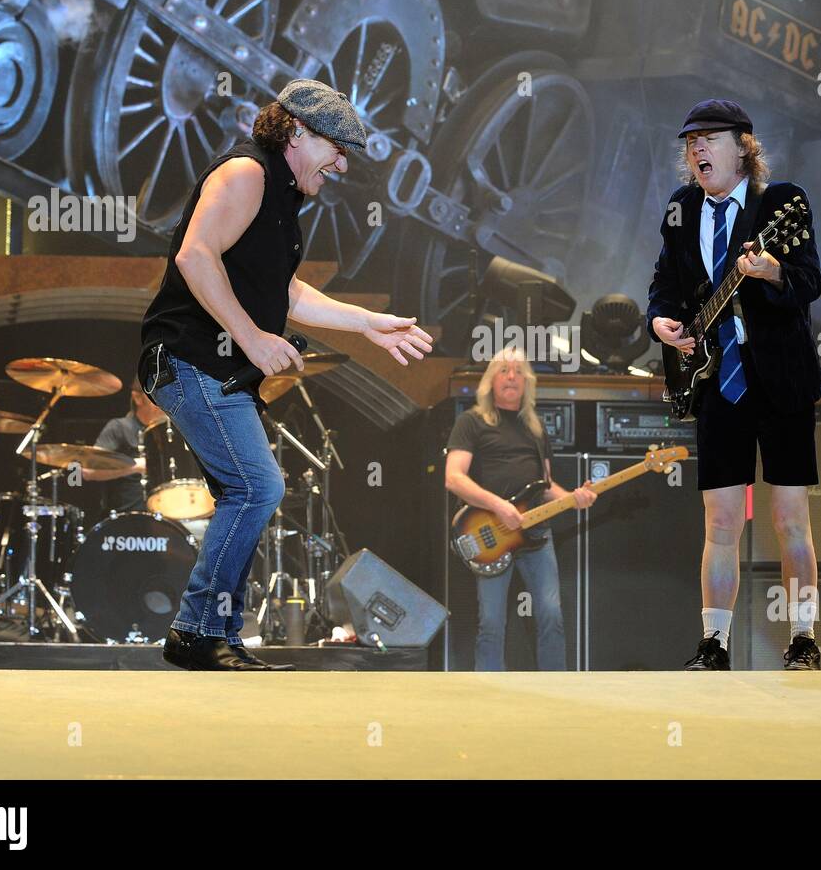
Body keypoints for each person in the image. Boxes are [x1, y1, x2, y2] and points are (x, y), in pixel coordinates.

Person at [139, 79, 433, 671]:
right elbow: (194, 255)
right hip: (187, 357)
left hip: (215, 367)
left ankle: (215, 635)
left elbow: (288, 292)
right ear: (297, 132)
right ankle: (196, 633)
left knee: (244, 493)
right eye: (337, 149)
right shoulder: (247, 173)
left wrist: (367, 323)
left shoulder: (280, 194)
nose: (343, 164)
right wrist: (251, 337)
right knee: (260, 487)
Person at [646, 99, 821, 671]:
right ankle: (714, 644)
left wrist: (770, 270)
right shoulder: (682, 208)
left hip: (781, 381)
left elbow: (809, 281)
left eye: (710, 138)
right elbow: (666, 282)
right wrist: (661, 322)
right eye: (691, 141)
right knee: (721, 521)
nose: (697, 148)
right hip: (717, 382)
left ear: (743, 146)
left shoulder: (782, 203)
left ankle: (802, 639)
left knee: (789, 517)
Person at [445, 348, 598, 670]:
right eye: (503, 370)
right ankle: (489, 695)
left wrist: (573, 498)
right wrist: (498, 506)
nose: (511, 376)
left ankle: (557, 693)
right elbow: (454, 478)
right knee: (490, 622)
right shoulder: (471, 422)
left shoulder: (535, 428)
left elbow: (545, 486)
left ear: (527, 382)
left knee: (551, 615)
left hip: (537, 536)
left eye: (518, 371)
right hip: (491, 535)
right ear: (491, 381)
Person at [82, 376, 162, 515]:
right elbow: (87, 471)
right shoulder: (119, 428)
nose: (164, 403)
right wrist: (137, 466)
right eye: (157, 396)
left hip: (170, 516)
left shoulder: (172, 432)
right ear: (138, 398)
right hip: (126, 520)